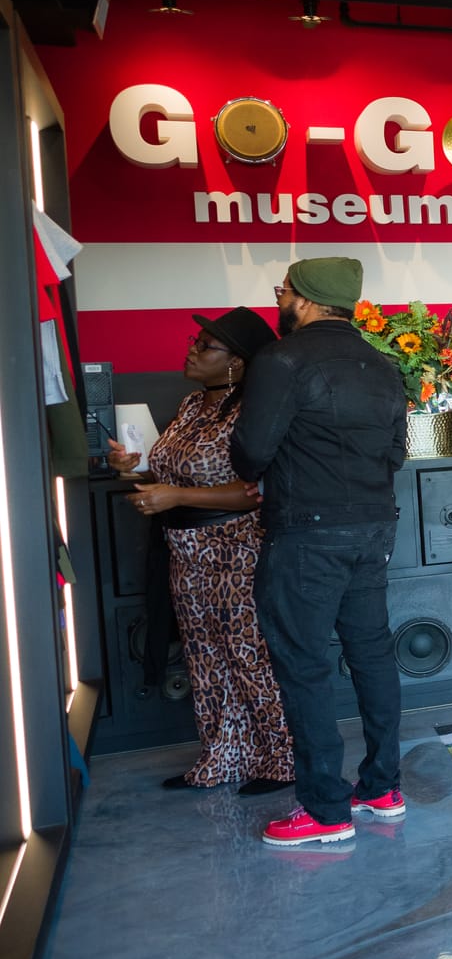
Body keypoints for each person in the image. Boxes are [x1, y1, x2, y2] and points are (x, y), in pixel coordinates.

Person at [231, 257, 410, 848]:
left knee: (304, 664)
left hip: (306, 533)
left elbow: (251, 453)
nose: (278, 296)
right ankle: (382, 787)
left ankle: (326, 809)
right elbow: (396, 453)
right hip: (374, 528)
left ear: (303, 299)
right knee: (372, 655)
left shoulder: (280, 361)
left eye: (282, 289)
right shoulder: (384, 366)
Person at [111, 306, 292, 795]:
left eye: (205, 345)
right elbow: (174, 475)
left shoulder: (254, 409)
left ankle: (281, 758)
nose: (192, 349)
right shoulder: (192, 405)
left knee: (249, 653)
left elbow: (254, 490)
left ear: (237, 361)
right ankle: (222, 755)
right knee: (204, 654)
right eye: (196, 340)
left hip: (238, 545)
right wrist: (132, 469)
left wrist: (177, 496)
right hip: (186, 548)